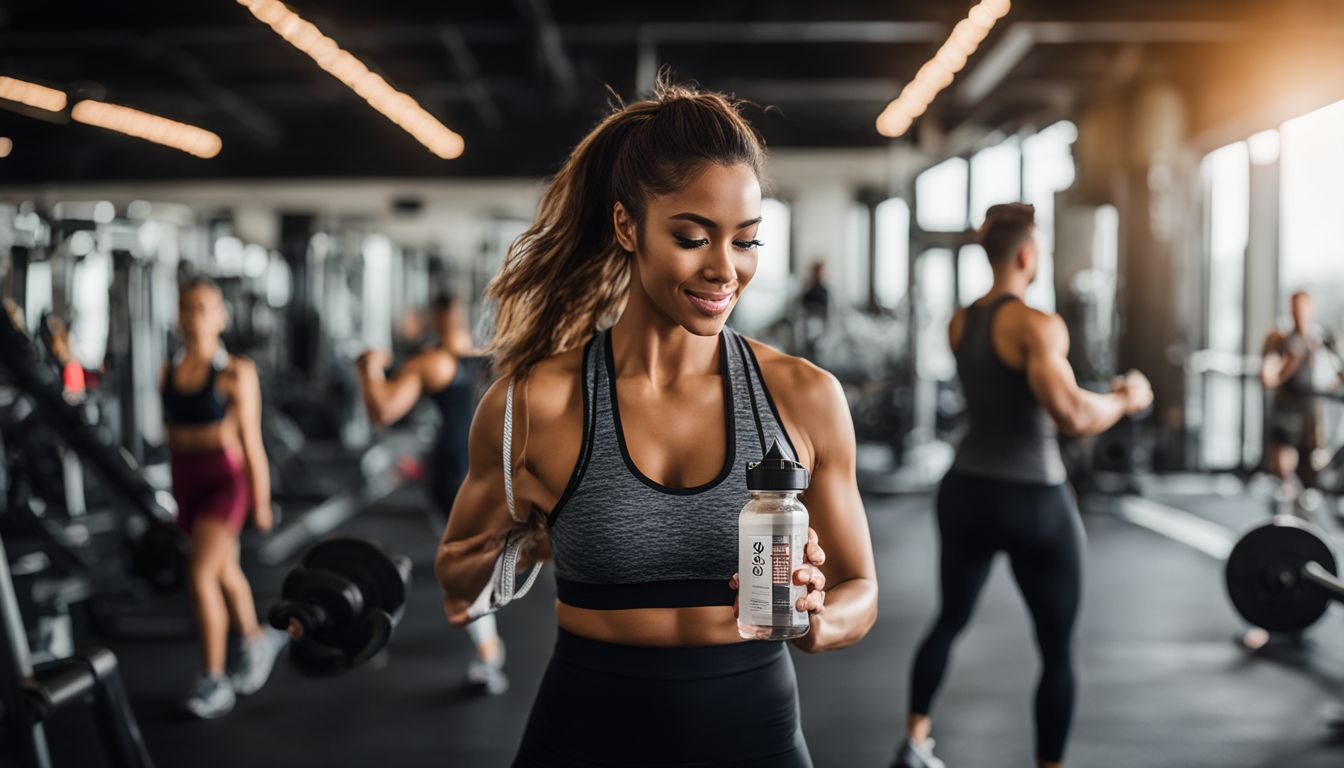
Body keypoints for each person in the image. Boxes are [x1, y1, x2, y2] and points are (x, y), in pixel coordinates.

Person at [435, 78, 878, 767]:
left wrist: (820, 616)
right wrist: (530, 538)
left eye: (748, 241)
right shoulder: (536, 404)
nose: (724, 269)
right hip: (586, 738)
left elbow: (861, 590)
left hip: (755, 740)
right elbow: (457, 581)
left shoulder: (804, 397)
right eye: (694, 237)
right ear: (626, 226)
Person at [895, 203, 1153, 768]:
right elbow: (1073, 417)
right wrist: (1125, 399)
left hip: (966, 490)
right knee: (1057, 652)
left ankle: (915, 742)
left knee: (949, 620)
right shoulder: (1038, 325)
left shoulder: (960, 320)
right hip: (1033, 497)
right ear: (1027, 255)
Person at [354, 292, 508, 694]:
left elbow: (383, 411)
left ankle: (490, 652)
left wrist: (367, 370)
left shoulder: (435, 362)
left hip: (455, 476)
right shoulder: (498, 356)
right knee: (468, 562)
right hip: (495, 474)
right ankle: (488, 646)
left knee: (463, 566)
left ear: (437, 318)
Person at [162, 276, 286, 719]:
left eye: (204, 308)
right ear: (179, 316)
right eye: (188, 308)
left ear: (221, 316)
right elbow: (173, 435)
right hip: (186, 484)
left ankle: (213, 681)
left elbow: (252, 442)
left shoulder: (235, 372)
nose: (195, 316)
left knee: (200, 577)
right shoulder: (168, 369)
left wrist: (261, 501)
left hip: (224, 484)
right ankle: (257, 640)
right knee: (225, 569)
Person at [1260, 291, 1341, 508]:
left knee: (1311, 483)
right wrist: (1291, 362)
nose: (1300, 313)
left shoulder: (1320, 339)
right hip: (1287, 413)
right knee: (1285, 475)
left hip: (1312, 416)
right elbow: (1268, 378)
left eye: (1304, 307)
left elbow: (1336, 374)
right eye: (1296, 307)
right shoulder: (1280, 340)